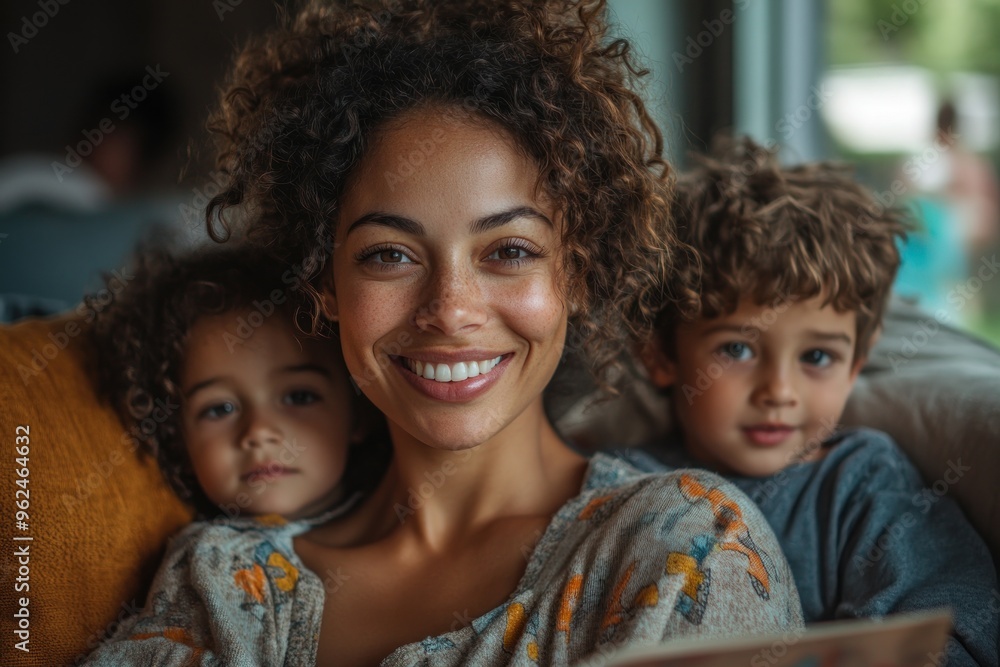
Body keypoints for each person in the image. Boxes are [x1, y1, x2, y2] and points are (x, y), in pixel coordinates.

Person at [196, 1, 803, 665]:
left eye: (509, 250)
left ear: (578, 270)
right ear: (323, 283)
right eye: (389, 254)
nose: (451, 309)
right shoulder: (223, 584)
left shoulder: (687, 548)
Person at [634, 137, 998, 667]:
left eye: (818, 358)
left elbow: (956, 632)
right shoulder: (621, 480)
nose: (778, 392)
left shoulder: (864, 483)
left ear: (856, 364)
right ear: (660, 354)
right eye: (737, 349)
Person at [83, 244, 388, 664]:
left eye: (299, 396)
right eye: (219, 409)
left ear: (358, 411)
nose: (258, 432)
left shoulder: (413, 515)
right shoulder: (210, 563)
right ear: (177, 438)